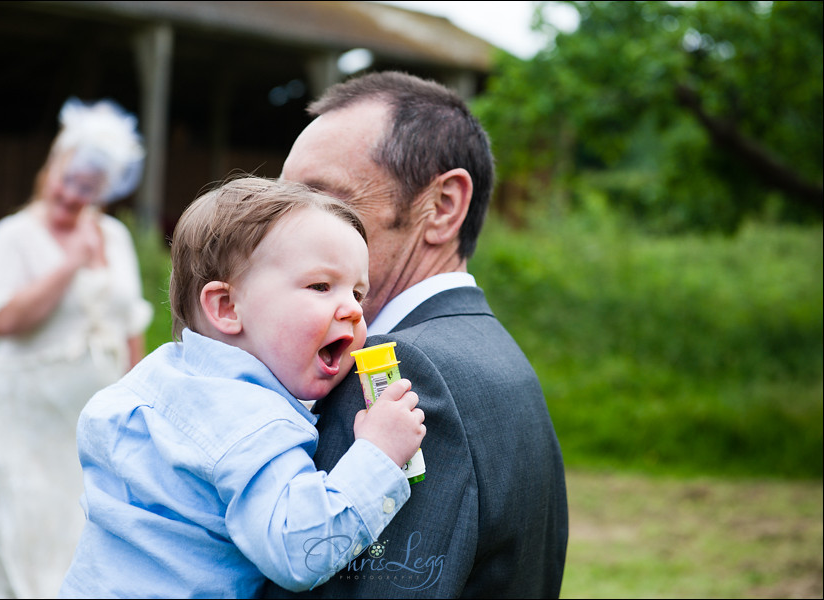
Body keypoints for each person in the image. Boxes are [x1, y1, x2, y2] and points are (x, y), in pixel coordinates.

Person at [269, 71, 569, 598]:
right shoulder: (495, 354)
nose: (282, 227)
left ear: (443, 206)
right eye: (284, 200)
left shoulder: (399, 371)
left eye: (324, 199)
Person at [59, 177, 427, 598]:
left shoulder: (155, 379)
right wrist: (378, 454)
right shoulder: (252, 420)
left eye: (359, 293)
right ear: (227, 307)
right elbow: (301, 551)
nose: (352, 310)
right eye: (321, 287)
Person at [0, 97, 153, 599]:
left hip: (91, 413)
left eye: (88, 188)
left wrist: (132, 393)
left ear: (105, 191)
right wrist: (68, 264)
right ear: (52, 166)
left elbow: (131, 319)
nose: (72, 194)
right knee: (27, 517)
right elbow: (2, 321)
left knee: (82, 519)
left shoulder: (113, 236)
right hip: (24, 411)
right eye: (67, 179)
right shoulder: (13, 235)